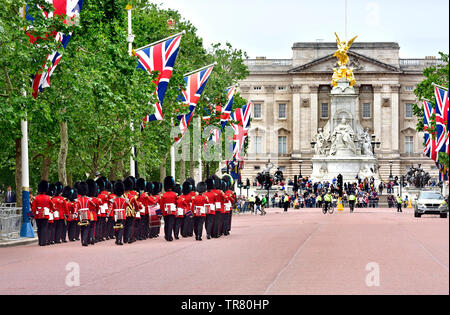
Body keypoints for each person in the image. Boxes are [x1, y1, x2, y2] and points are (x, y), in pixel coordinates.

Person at [31, 181, 53, 246]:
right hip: (45, 214)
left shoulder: (36, 198)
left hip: (38, 215)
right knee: (44, 228)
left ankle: (40, 241)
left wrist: (31, 216)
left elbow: (33, 209)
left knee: (39, 228)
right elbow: (52, 206)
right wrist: (52, 210)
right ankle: (43, 241)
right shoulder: (48, 198)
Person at [160, 176, 178, 242]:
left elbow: (161, 205)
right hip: (172, 211)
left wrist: (160, 213)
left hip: (165, 211)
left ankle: (166, 235)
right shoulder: (174, 195)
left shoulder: (163, 195)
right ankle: (169, 236)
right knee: (170, 223)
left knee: (166, 223)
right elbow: (176, 203)